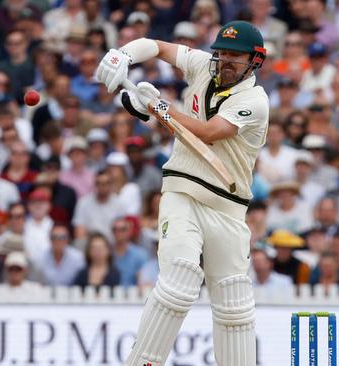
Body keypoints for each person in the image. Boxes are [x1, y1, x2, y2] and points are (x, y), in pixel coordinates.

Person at [96, 20, 269, 365]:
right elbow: (158, 47)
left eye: (235, 56)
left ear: (255, 61)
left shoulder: (255, 101)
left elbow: (208, 132)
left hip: (229, 208)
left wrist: (157, 108)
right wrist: (123, 55)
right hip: (183, 192)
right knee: (179, 279)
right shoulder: (204, 64)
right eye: (221, 53)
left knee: (234, 305)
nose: (225, 62)